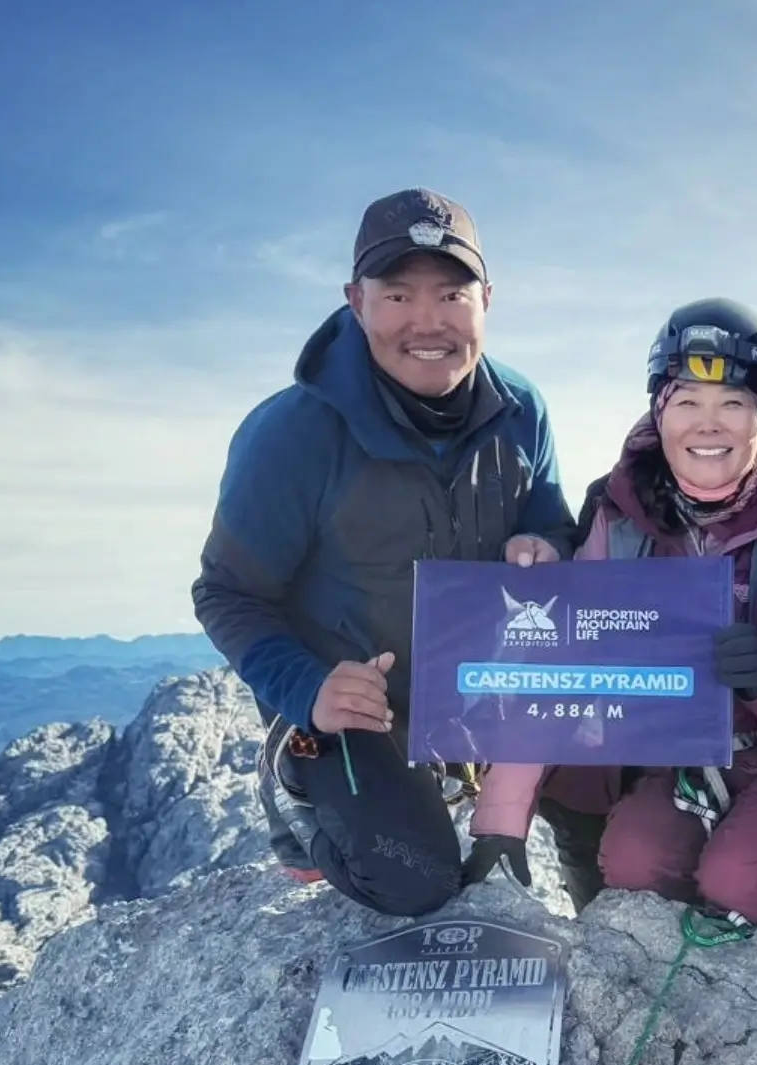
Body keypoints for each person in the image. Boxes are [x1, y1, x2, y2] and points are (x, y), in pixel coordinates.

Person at [192, 188, 575, 916]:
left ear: (487, 298)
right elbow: (226, 592)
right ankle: (302, 788)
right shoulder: (294, 432)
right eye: (398, 294)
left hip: (471, 693)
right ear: (355, 299)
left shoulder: (523, 412)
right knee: (414, 880)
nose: (427, 322)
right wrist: (309, 691)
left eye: (452, 294)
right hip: (351, 709)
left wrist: (545, 543)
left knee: (616, 749)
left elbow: (550, 520)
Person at [464, 299, 757, 936]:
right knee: (633, 864)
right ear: (659, 410)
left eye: (732, 403)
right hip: (677, 763)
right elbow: (556, 668)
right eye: (687, 403)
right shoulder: (621, 522)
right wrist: (499, 825)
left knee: (744, 881)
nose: (709, 425)